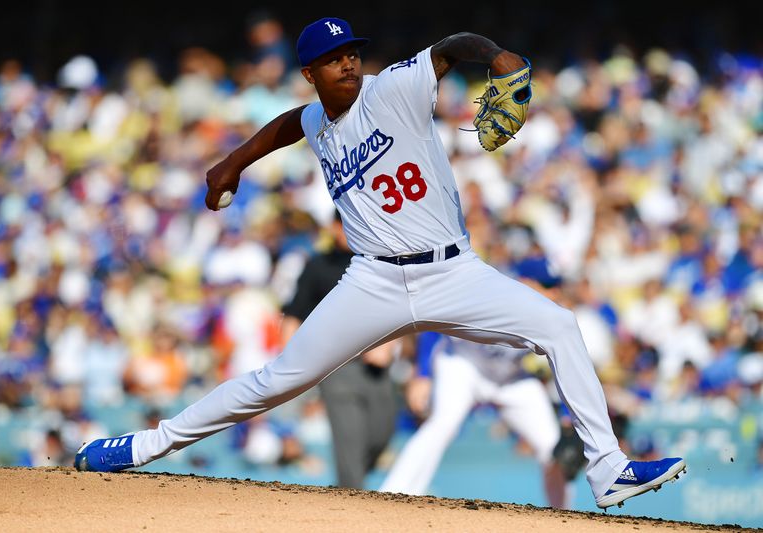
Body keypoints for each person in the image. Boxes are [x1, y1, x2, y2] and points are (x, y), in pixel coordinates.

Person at [75, 17, 685, 510]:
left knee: (559, 326)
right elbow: (293, 123)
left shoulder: (392, 89)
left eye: (353, 53)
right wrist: (233, 162)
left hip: (453, 272)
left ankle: (610, 471)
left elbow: (450, 47)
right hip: (373, 280)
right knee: (277, 380)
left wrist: (494, 54)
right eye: (336, 59)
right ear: (311, 73)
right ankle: (144, 447)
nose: (350, 63)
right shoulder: (318, 118)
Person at [379, 333, 569, 508]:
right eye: (551, 292)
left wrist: (569, 414)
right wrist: (424, 374)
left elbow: (567, 362)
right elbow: (434, 323)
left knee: (552, 447)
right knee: (443, 424)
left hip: (512, 377)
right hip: (463, 362)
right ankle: (391, 497)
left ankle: (563, 517)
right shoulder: (498, 295)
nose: (553, 295)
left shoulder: (550, 311)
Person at [280, 212, 398, 489]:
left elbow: (399, 312)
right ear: (333, 228)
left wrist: (389, 345)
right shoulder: (318, 266)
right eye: (344, 225)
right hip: (337, 367)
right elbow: (295, 314)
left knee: (382, 435)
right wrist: (291, 362)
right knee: (349, 444)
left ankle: (343, 492)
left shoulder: (379, 263)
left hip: (377, 368)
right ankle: (350, 503)